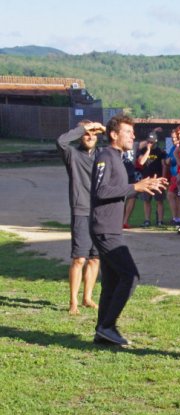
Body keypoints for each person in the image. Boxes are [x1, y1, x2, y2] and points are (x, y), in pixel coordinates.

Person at [90, 114, 167, 345]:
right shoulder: (105, 156)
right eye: (128, 132)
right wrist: (136, 186)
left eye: (133, 133)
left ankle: (102, 332)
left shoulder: (119, 158)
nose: (133, 136)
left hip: (111, 228)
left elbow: (121, 188)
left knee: (112, 282)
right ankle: (107, 325)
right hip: (104, 228)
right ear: (114, 134)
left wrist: (143, 186)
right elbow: (100, 191)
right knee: (130, 276)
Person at [57, 120, 102, 315]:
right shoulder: (72, 155)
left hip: (100, 212)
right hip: (81, 210)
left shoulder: (103, 156)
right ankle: (73, 301)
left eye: (94, 134)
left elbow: (121, 150)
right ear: (81, 135)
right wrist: (83, 128)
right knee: (79, 258)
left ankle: (87, 297)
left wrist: (106, 130)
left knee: (95, 258)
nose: (90, 137)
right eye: (87, 134)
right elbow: (61, 142)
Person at [136, 131, 167, 227]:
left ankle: (160, 221)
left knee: (159, 201)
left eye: (152, 142)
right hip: (146, 179)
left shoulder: (160, 151)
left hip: (157, 179)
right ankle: (147, 220)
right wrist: (148, 150)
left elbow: (164, 165)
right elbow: (141, 162)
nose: (150, 143)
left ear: (156, 141)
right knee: (146, 201)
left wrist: (164, 177)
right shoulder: (143, 150)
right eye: (149, 141)